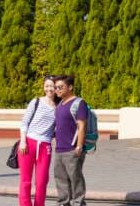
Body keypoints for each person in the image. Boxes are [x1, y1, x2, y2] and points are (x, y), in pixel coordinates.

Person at [18, 75, 59, 206]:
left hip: (45, 146)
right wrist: (23, 141)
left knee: (42, 181)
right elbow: (24, 123)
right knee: (26, 180)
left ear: (56, 87)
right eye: (46, 86)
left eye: (51, 86)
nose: (49, 89)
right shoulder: (36, 102)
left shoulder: (58, 106)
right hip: (28, 143)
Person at [52, 75, 88, 206]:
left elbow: (82, 125)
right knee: (60, 179)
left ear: (70, 87)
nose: (57, 90)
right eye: (56, 88)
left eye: (60, 87)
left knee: (75, 179)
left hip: (73, 149)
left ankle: (78, 203)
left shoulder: (79, 103)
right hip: (60, 149)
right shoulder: (60, 104)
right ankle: (63, 203)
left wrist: (79, 146)